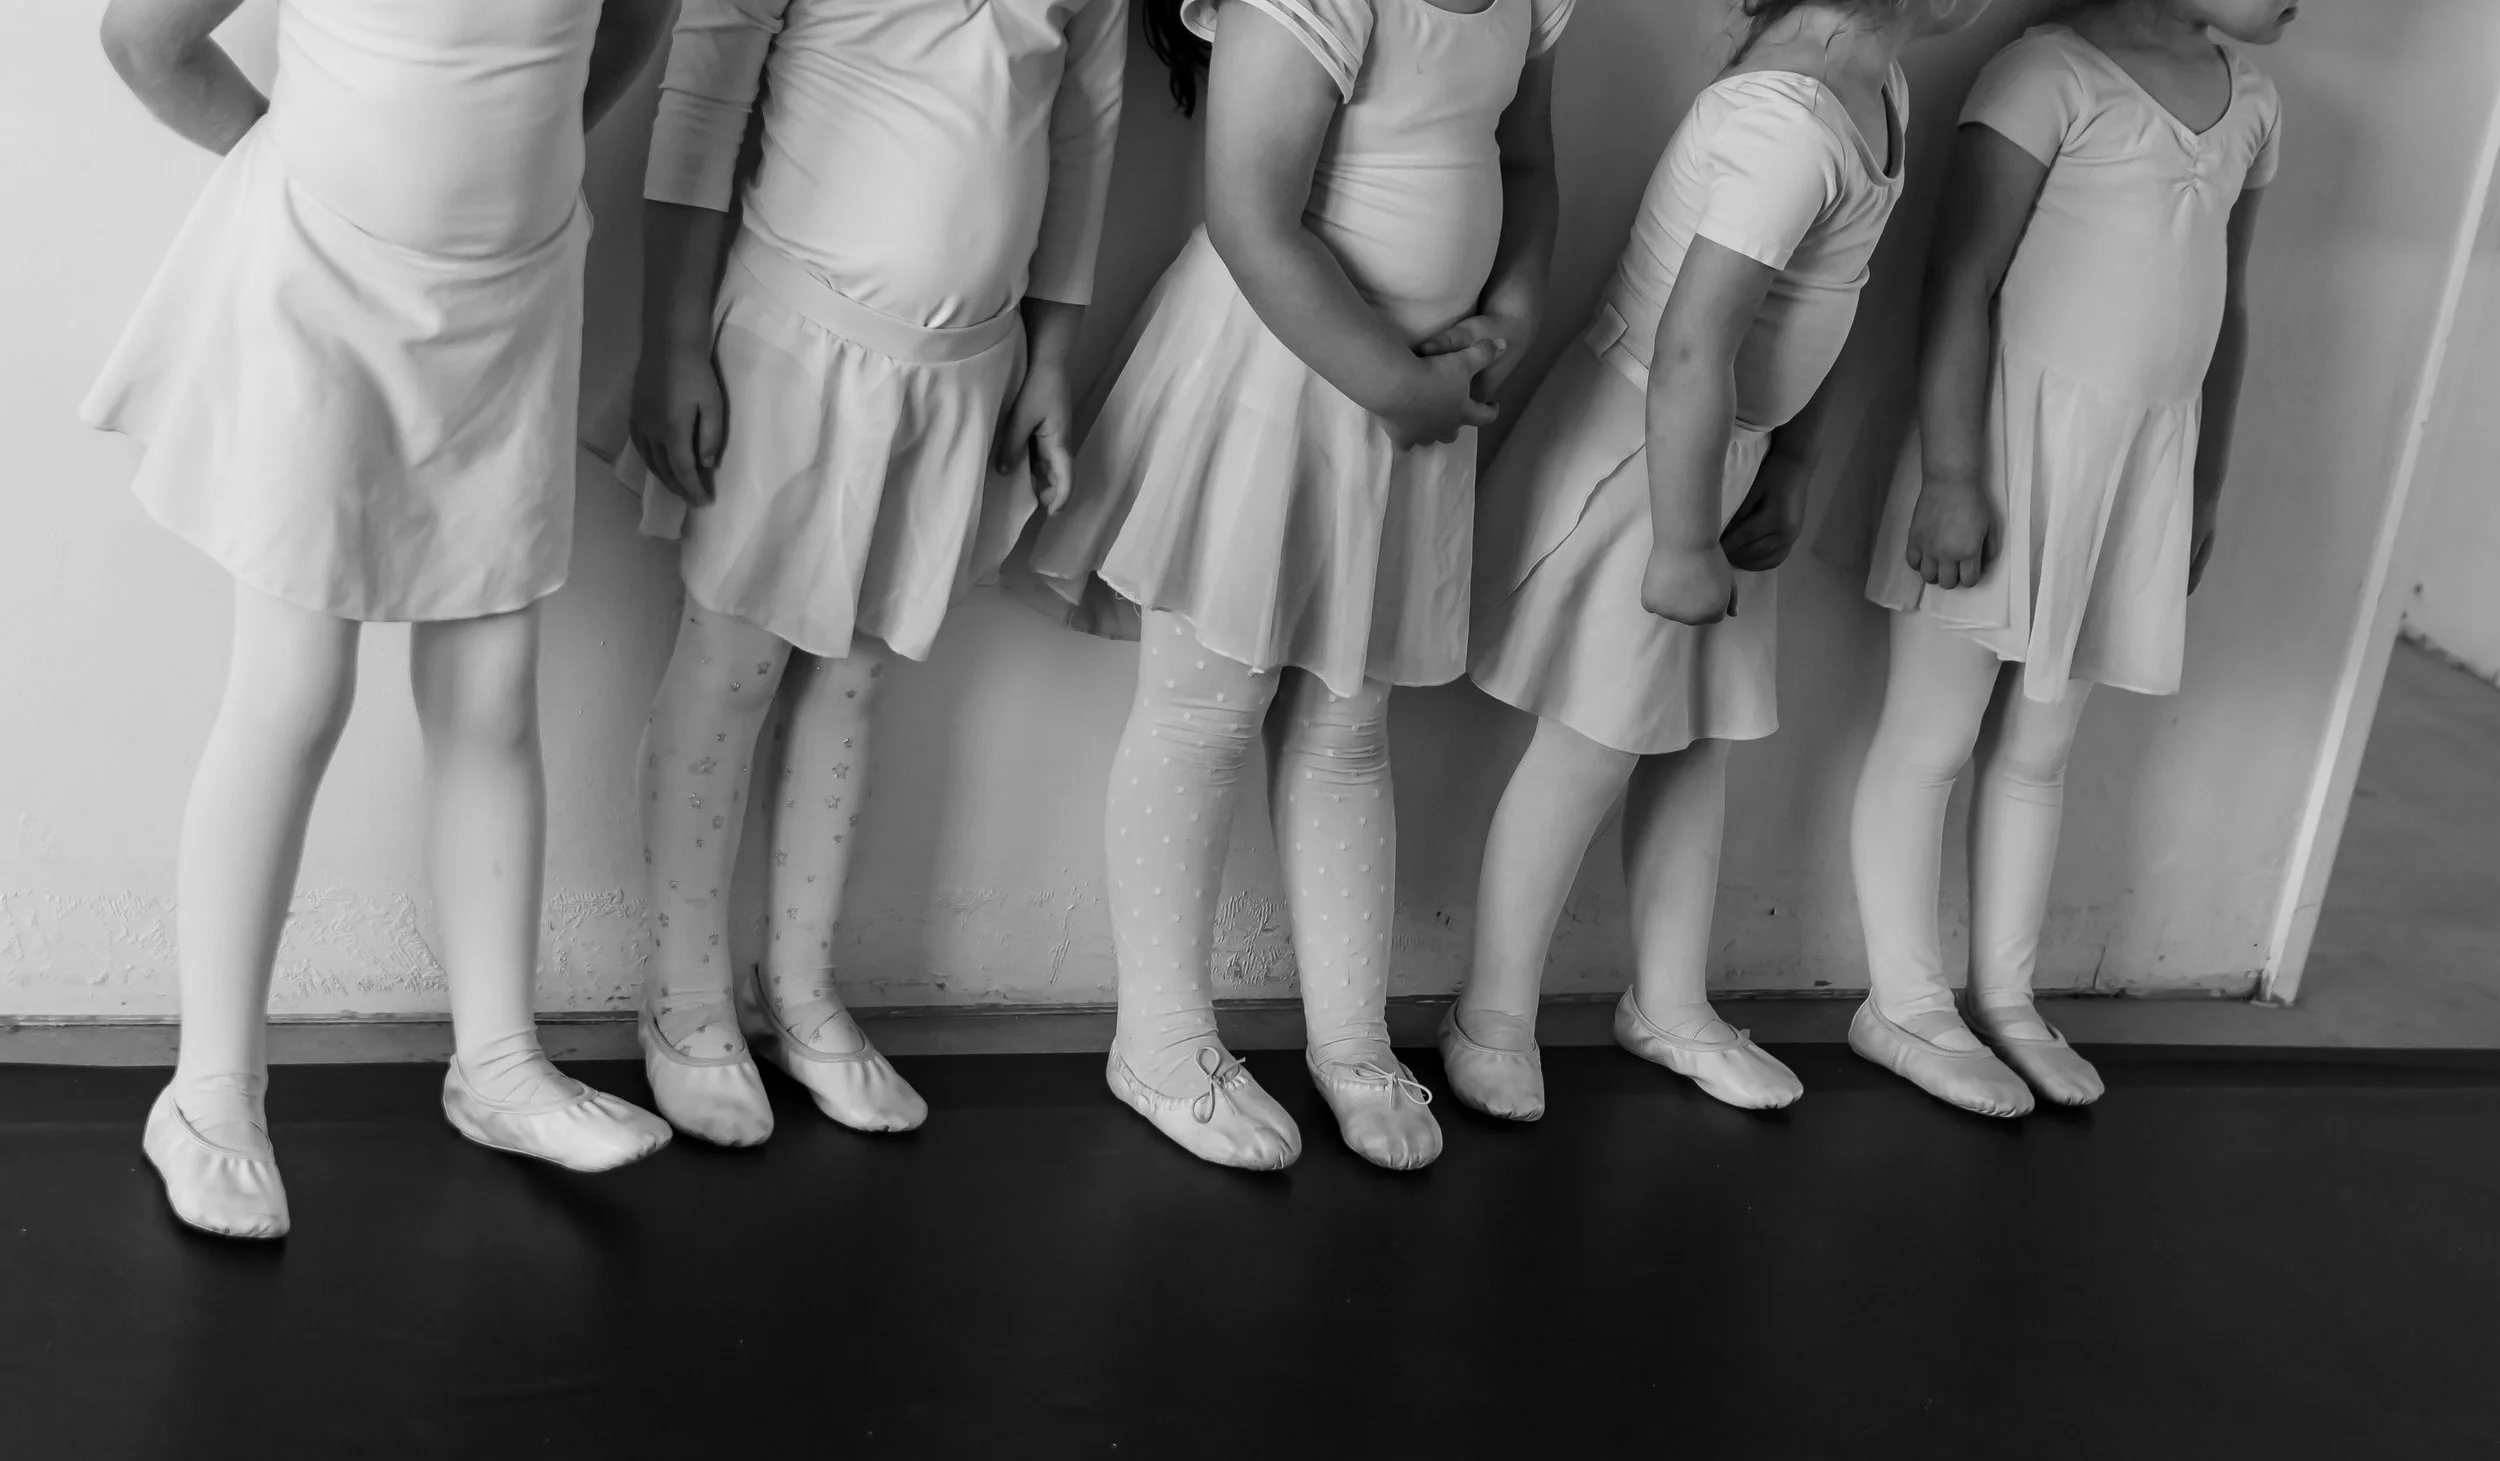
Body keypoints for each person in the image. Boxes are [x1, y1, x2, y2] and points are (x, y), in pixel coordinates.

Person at [86, 0, 676, 1239]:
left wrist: (526, 165)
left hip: (510, 294)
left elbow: (636, 17)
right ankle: (207, 1092)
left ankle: (499, 1063)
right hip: (321, 277)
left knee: (490, 690)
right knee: (294, 689)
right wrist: (294, 165)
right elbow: (145, 39)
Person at [1028, 0, 1573, 1170]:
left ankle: (1350, 1039)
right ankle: (1160, 1039)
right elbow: (1250, 215)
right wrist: (1392, 381)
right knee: (1202, 715)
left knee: (1348, 727)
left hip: (1411, 414)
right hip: (1274, 388)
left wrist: (1511, 315)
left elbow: (1524, 163)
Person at [1449, 0, 1995, 1122]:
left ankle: (1669, 1002)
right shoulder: (1786, 119)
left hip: (1726, 455)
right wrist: (1683, 537)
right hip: (1649, 458)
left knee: (1696, 735)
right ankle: (1490, 1015)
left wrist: (1794, 459)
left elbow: (1828, 303)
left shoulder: (1879, 89)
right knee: (1591, 743)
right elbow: (1693, 342)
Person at [620, 0, 1126, 1147]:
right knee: (731, 667)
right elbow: (702, 102)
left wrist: (1052, 358)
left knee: (852, 680)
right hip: (789, 345)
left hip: (959, 371)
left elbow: (1084, 127)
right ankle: (684, 997)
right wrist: (668, 340)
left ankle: (799, 990)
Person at [1852, 0, 2291, 1115]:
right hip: (2003, 453)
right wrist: (1952, 477)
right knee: (1930, 740)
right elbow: (1959, 279)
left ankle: (2004, 997)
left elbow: (2229, 304)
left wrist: (2202, 485)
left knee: (2040, 745)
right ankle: (1901, 1004)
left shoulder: (2254, 103)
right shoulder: (2046, 74)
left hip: (2137, 474)